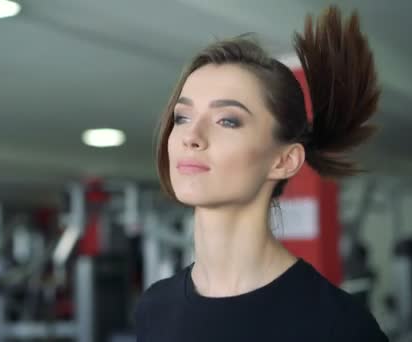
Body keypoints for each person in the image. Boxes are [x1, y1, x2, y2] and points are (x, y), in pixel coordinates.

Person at [135, 5, 388, 342]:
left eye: (227, 120)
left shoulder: (337, 325)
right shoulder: (155, 307)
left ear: (284, 161)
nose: (191, 136)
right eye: (182, 117)